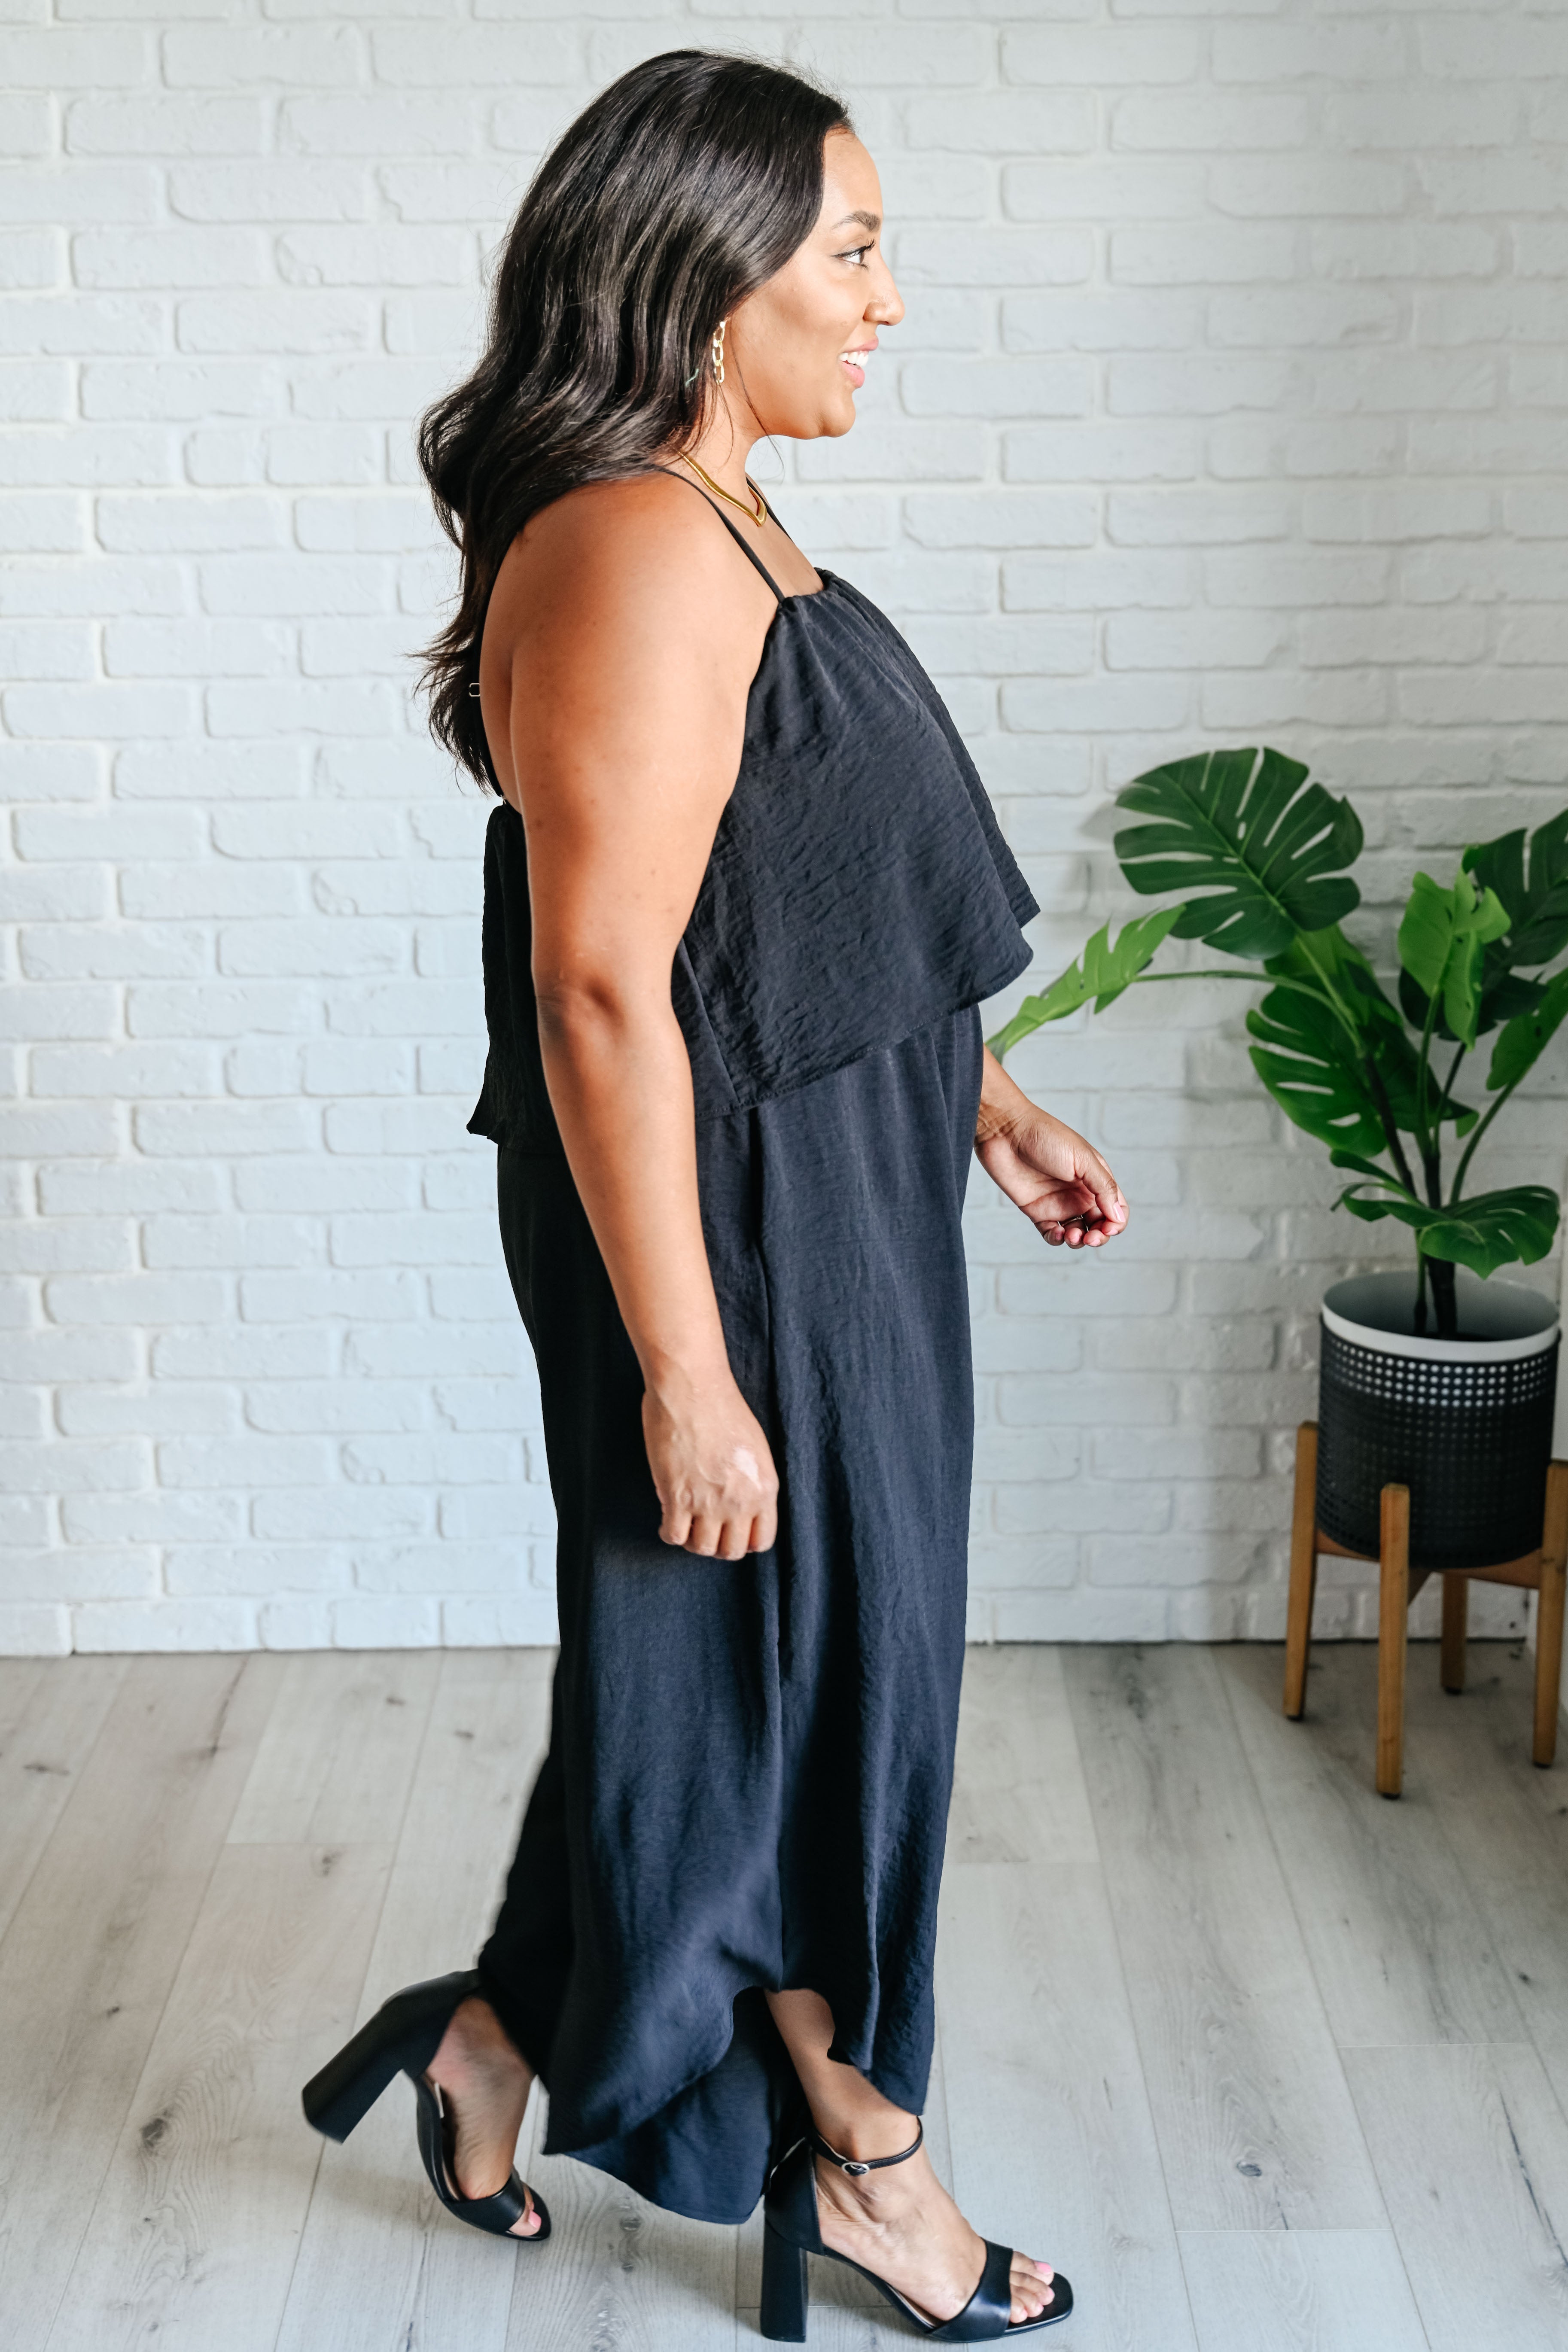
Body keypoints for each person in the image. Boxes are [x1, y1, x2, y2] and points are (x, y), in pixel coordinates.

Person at [301, 49, 1125, 2342]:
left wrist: (983, 1101)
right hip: (733, 1230)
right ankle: (867, 2165)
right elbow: (596, 986)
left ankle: (496, 2037)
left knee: (727, 1673)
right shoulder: (637, 552)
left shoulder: (719, 511)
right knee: (816, 1682)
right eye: (850, 250)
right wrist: (686, 1365)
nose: (887, 298)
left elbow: (776, 908)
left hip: (823, 1182)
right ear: (704, 275)